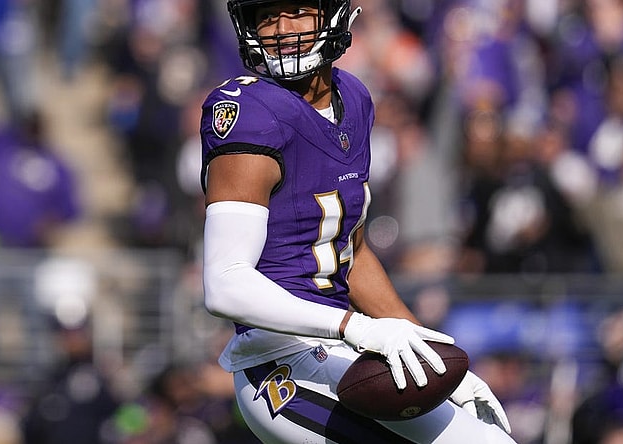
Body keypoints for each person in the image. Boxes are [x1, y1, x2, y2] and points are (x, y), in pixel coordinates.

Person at [199, 1, 515, 443]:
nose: (281, 29)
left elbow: (353, 251)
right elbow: (225, 283)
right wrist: (354, 327)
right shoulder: (250, 112)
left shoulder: (355, 99)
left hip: (342, 349)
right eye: (266, 16)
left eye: (296, 10)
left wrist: (431, 353)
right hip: (278, 363)